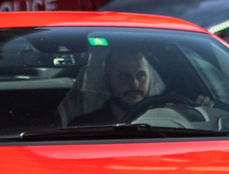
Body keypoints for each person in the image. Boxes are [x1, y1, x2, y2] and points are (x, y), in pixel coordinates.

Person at [77, 49, 211, 128]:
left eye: (140, 76)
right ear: (107, 80)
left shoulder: (170, 120)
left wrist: (201, 116)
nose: (134, 84)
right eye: (124, 77)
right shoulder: (86, 126)